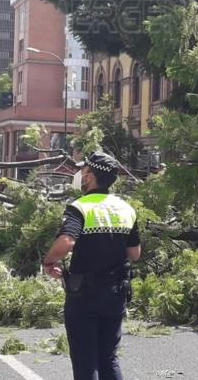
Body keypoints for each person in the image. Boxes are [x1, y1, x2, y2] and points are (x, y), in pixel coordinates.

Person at [42, 152, 141, 380]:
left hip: (84, 295)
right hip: (116, 292)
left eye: (83, 170)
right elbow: (134, 253)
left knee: (86, 360)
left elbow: (67, 241)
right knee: (109, 357)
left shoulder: (80, 207)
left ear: (90, 176)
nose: (80, 174)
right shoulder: (126, 209)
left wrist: (49, 261)